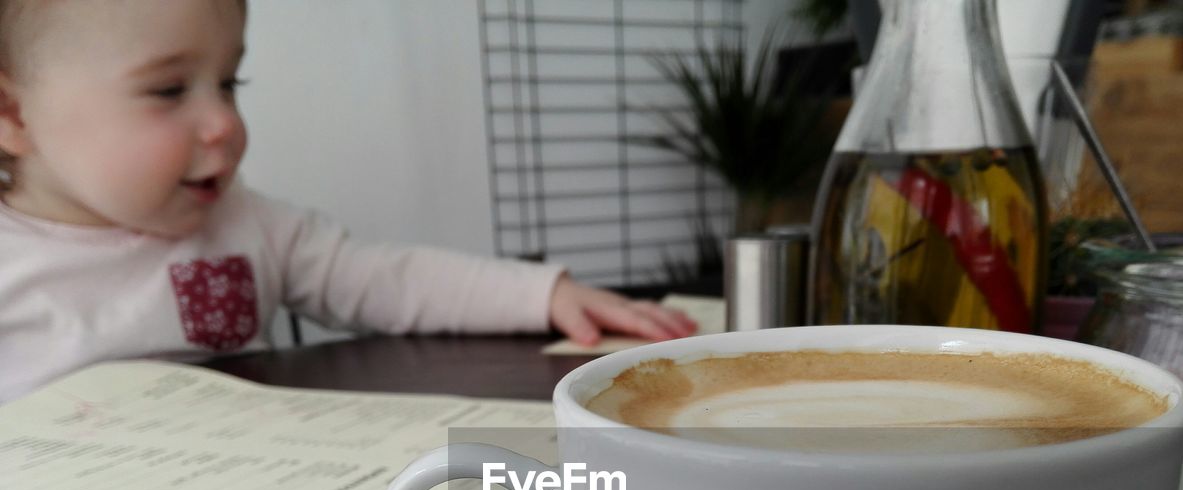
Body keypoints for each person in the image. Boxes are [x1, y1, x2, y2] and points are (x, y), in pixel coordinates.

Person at [0, 0, 695, 402]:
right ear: (14, 115)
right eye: (169, 90)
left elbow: (386, 278)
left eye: (230, 84)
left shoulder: (245, 223)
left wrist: (542, 293)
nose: (224, 125)